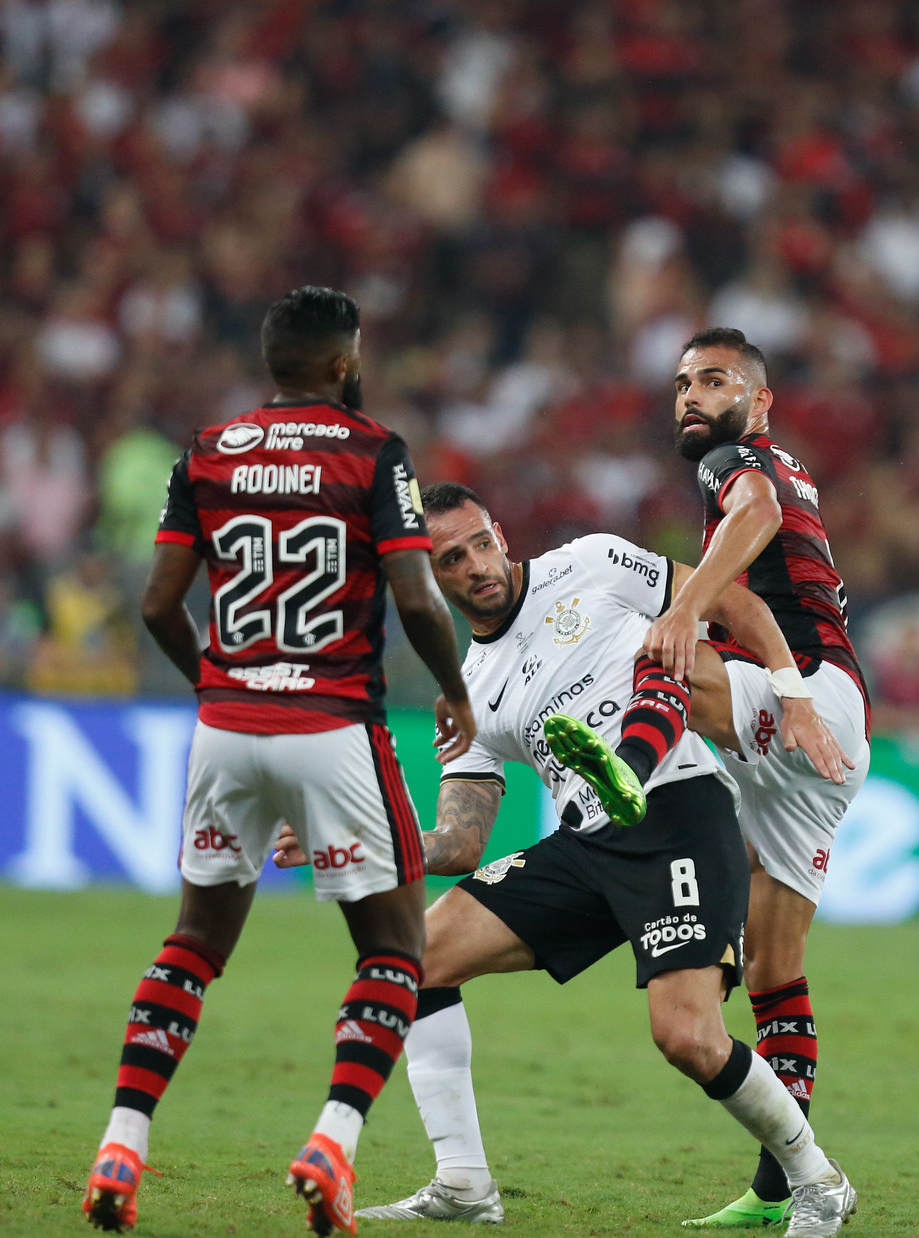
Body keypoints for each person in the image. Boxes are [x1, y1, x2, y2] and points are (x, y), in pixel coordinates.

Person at [325, 483, 857, 1238]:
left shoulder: (592, 561)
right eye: (452, 558)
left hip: (681, 814)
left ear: (500, 532)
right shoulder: (471, 687)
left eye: (481, 542)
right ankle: (464, 1180)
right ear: (427, 577)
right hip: (588, 838)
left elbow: (729, 601)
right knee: (414, 956)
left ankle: (819, 1180)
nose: (477, 565)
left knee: (688, 1037)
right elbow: (462, 841)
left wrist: (787, 686)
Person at [80, 288, 475, 1237]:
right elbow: (419, 598)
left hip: (226, 725)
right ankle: (332, 1141)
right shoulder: (374, 451)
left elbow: (157, 604)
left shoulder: (204, 453)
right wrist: (454, 687)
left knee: (193, 942)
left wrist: (214, 683)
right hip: (332, 723)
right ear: (344, 362)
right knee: (393, 948)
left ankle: (122, 1139)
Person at [638, 326, 873, 1230]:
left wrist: (688, 607)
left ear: (760, 400)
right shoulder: (775, 464)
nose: (690, 396)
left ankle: (621, 794)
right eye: (682, 383)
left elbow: (759, 515)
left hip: (807, 698)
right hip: (831, 732)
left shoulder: (740, 461)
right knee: (779, 972)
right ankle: (784, 1188)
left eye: (714, 380)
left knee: (647, 651)